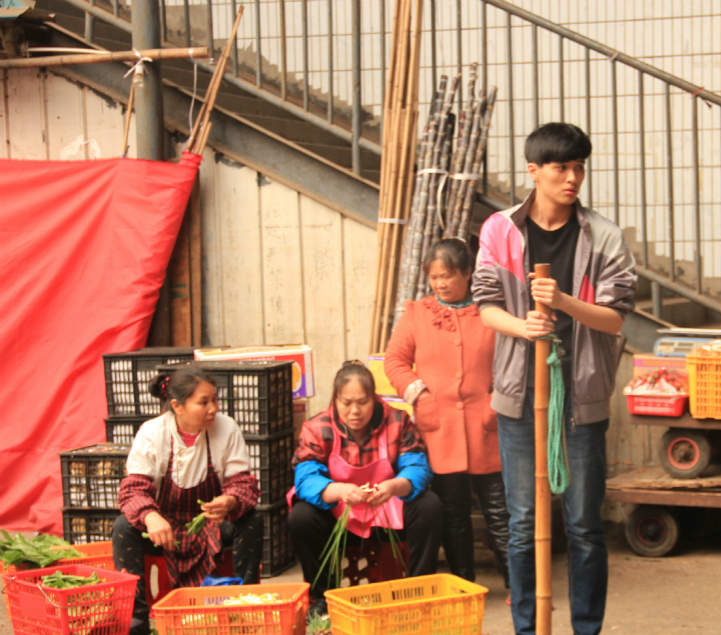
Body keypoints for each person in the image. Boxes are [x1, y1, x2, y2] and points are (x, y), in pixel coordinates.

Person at [471, 122, 637, 635]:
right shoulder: (500, 230)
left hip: (581, 393)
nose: (572, 178)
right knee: (523, 522)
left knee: (584, 524)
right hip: (519, 394)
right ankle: (528, 628)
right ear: (534, 171)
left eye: (579, 168)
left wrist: (563, 301)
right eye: (561, 167)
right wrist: (524, 326)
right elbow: (485, 306)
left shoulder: (603, 235)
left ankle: (586, 628)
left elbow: (615, 319)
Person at [384, 238, 511, 594]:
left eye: (447, 276)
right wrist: (419, 394)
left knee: (500, 512)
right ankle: (463, 586)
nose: (440, 284)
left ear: (468, 273)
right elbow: (395, 360)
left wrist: (498, 397)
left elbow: (514, 360)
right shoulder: (417, 313)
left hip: (488, 426)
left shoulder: (491, 312)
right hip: (438, 428)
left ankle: (519, 588)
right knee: (453, 514)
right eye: (434, 277)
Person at [114, 366, 263, 635]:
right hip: (165, 531)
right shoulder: (153, 433)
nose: (213, 409)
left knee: (253, 519)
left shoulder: (226, 428)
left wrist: (230, 500)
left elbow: (243, 483)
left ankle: (245, 607)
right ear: (177, 406)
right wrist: (151, 516)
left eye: (215, 400)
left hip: (211, 525)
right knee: (123, 526)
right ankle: (136, 620)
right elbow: (133, 489)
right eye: (203, 402)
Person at [288, 360, 444, 616]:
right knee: (301, 517)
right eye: (346, 403)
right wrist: (340, 491)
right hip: (340, 517)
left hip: (387, 515)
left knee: (430, 506)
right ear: (335, 400)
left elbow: (418, 467)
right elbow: (305, 478)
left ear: (374, 398)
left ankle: (418, 592)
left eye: (362, 402)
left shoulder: (397, 420)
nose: (355, 411)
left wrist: (394, 486)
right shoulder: (317, 428)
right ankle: (323, 597)